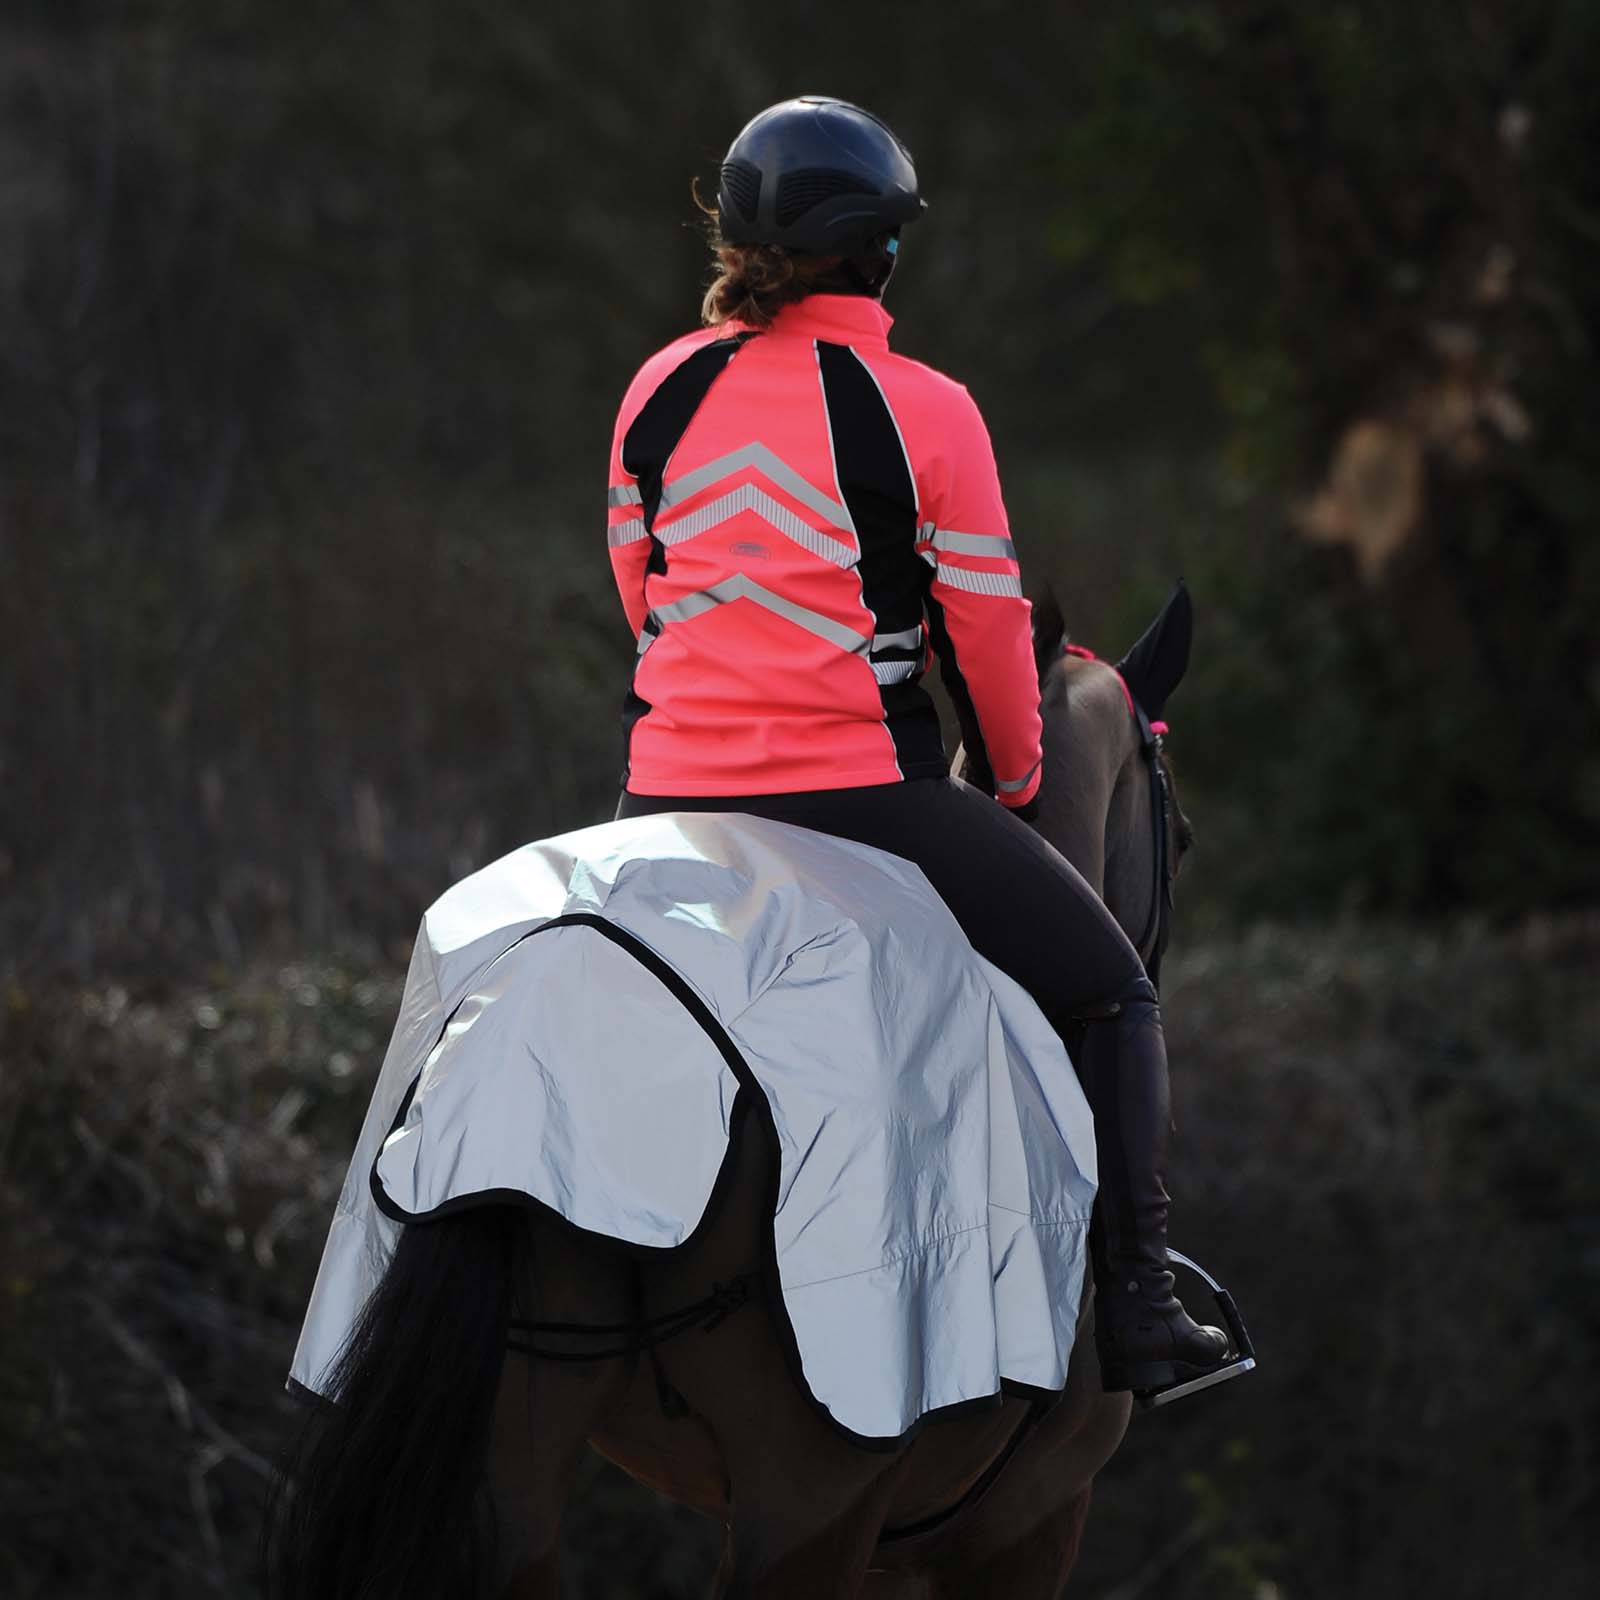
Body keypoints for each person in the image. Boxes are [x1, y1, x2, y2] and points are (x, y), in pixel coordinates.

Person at [605, 96, 1228, 1398]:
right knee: (1112, 991)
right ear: (878, 252)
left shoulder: (656, 390)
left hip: (658, 808)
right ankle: (1138, 1301)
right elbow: (993, 644)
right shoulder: (924, 406)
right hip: (858, 804)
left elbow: (644, 592)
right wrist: (1007, 786)